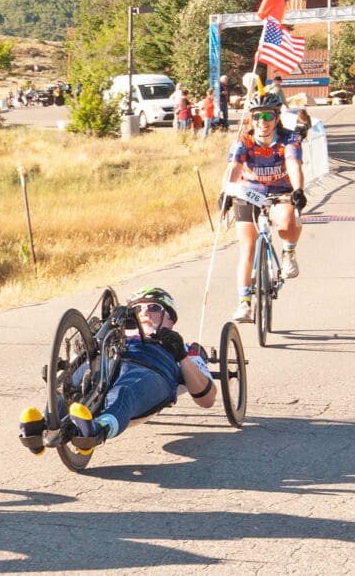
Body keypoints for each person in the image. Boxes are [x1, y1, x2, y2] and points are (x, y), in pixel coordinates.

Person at [18, 287, 216, 454]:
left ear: (170, 319)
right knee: (66, 387)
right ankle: (40, 428)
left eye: (154, 308)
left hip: (152, 371)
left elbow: (206, 400)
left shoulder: (185, 347)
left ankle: (97, 431)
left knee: (123, 392)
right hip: (105, 362)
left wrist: (181, 355)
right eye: (137, 309)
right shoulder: (112, 338)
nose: (144, 312)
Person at [219, 93, 305, 322]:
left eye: (268, 116)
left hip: (281, 190)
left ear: (277, 118)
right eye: (257, 116)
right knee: (247, 249)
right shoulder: (244, 139)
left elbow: (293, 164)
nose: (262, 121)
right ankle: (244, 303)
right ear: (251, 118)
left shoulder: (289, 138)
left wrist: (298, 190)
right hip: (250, 192)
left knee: (288, 218)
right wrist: (226, 192)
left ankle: (289, 252)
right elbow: (235, 167)